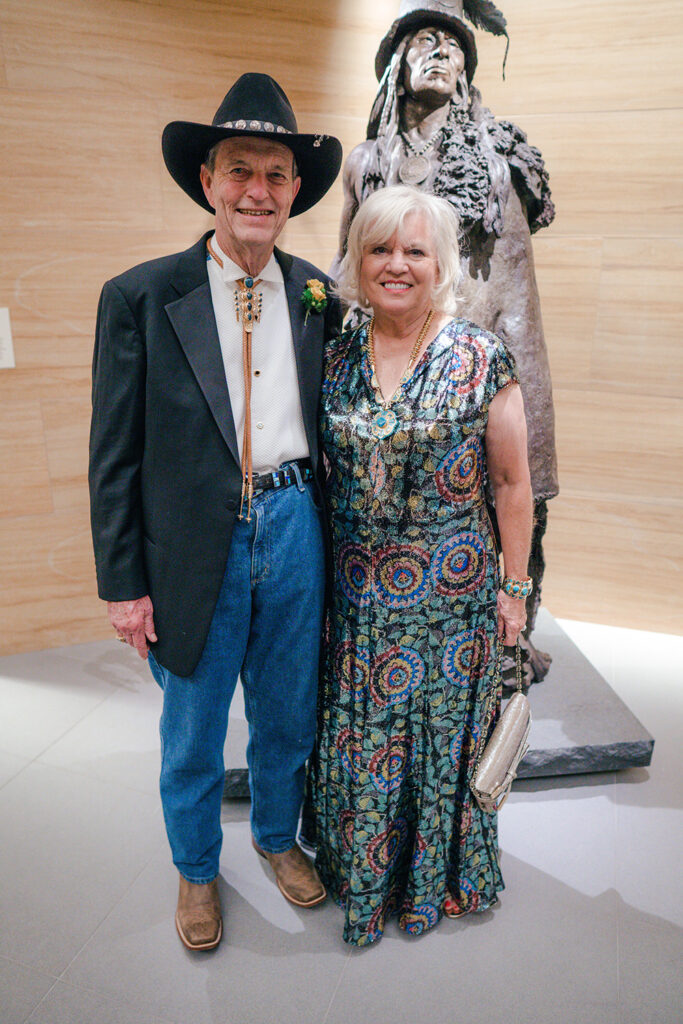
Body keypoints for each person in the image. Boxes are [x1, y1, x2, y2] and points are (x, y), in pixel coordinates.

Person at [88, 73, 342, 951]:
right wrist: (124, 585)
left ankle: (276, 840)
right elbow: (111, 457)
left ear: (295, 192)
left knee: (285, 713)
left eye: (276, 175)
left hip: (295, 530)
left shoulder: (319, 297)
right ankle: (197, 869)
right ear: (207, 182)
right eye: (240, 171)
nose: (257, 192)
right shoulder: (140, 296)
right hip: (191, 550)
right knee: (193, 729)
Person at [303, 185, 533, 946]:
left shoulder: (478, 356)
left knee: (435, 745)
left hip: (451, 602)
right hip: (357, 601)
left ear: (440, 266)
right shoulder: (333, 358)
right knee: (362, 741)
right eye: (378, 248)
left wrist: (513, 590)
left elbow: (511, 484)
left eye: (413, 251)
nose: (395, 264)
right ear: (357, 261)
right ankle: (361, 877)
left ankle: (432, 882)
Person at [333, 0, 557, 683]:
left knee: (516, 491)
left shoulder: (500, 154)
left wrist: (501, 367)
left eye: (451, 44)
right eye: (420, 41)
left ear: (467, 71)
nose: (436, 52)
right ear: (392, 69)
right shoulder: (368, 160)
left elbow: (511, 271)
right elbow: (347, 267)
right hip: (392, 356)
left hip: (488, 343)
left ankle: (510, 635)